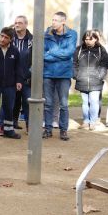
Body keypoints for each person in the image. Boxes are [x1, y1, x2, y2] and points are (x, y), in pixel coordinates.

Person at [42, 12, 77, 141]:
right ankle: (48, 129)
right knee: (48, 103)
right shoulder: (47, 33)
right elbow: (42, 53)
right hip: (48, 73)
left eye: (56, 20)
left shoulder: (72, 34)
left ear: (63, 22)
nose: (53, 22)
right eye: (52, 20)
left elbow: (69, 53)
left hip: (64, 74)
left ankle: (63, 130)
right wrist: (54, 54)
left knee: (63, 104)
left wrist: (51, 52)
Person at [73, 30, 108, 130]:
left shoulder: (101, 50)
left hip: (96, 81)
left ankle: (93, 122)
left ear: (96, 39)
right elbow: (74, 63)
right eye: (86, 39)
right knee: (84, 102)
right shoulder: (79, 49)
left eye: (90, 39)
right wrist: (76, 75)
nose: (87, 41)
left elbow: (104, 65)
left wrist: (100, 76)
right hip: (82, 80)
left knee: (94, 101)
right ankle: (85, 121)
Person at [10, 16, 33, 129]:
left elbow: (36, 59)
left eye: (20, 23)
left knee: (27, 103)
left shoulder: (32, 40)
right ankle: (12, 124)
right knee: (13, 102)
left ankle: (30, 127)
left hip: (27, 78)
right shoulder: (10, 39)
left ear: (26, 25)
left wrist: (30, 72)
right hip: (12, 78)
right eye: (15, 23)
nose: (17, 25)